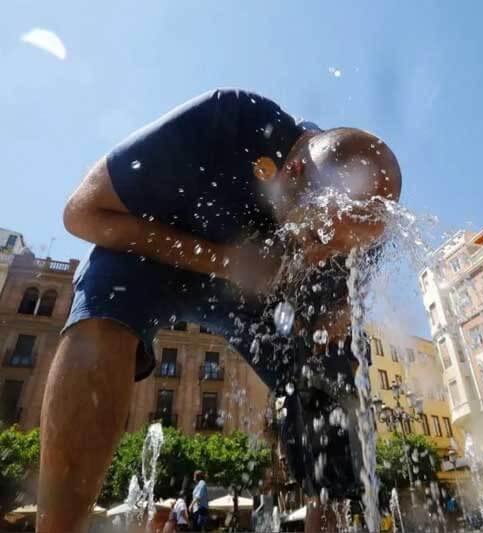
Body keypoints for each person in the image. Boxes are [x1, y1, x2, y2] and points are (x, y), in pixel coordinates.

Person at [36, 88, 402, 533]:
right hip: (162, 255)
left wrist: (330, 329)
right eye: (321, 237)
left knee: (334, 380)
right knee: (104, 302)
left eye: (343, 249)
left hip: (263, 303)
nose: (324, 258)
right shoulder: (228, 120)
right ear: (295, 169)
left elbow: (342, 314)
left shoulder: (363, 223)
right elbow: (82, 213)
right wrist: (226, 262)